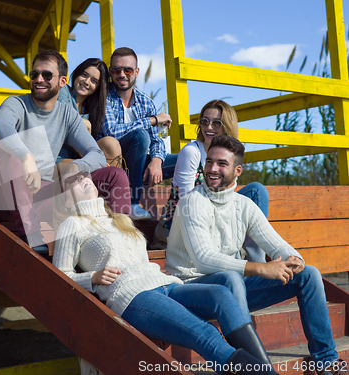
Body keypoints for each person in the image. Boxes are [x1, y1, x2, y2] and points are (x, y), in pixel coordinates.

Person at [52, 169, 280, 375]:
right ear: (64, 198)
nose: (83, 178)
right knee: (206, 333)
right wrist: (92, 277)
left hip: (164, 283)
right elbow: (59, 276)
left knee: (221, 295)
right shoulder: (72, 225)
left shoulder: (121, 219)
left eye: (84, 174)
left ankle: (264, 370)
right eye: (73, 179)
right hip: (133, 295)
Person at [165, 135, 347, 375]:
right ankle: (258, 368)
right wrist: (260, 268)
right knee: (230, 279)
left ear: (237, 170)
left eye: (221, 164)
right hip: (191, 288)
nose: (212, 169)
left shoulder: (243, 205)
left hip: (233, 287)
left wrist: (294, 259)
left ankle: (325, 361)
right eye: (209, 162)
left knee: (309, 274)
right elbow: (203, 258)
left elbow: (276, 244)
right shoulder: (191, 202)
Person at [0, 50, 131, 255]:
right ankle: (32, 234)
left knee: (115, 175)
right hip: (4, 197)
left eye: (47, 75)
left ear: (62, 81)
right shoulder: (16, 104)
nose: (39, 79)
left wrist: (76, 166)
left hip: (41, 195)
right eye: (34, 74)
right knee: (7, 150)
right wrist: (26, 156)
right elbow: (1, 128)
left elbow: (95, 153)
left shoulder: (66, 113)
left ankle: (124, 236)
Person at [152, 99, 269, 258]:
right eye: (204, 121)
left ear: (227, 126)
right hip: (180, 224)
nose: (208, 127)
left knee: (257, 191)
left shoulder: (230, 155)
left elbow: (228, 197)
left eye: (216, 123)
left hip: (215, 220)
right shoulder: (192, 152)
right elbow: (188, 202)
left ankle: (256, 262)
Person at [99, 47, 178, 220]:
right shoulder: (103, 96)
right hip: (113, 164)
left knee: (184, 158)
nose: (121, 74)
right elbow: (112, 132)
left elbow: (156, 140)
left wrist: (157, 161)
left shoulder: (145, 101)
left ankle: (176, 214)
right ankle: (133, 204)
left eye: (127, 70)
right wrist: (152, 120)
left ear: (136, 72)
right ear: (110, 71)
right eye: (116, 69)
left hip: (140, 164)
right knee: (140, 135)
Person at [57, 58, 124, 169]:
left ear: (98, 87)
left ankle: (116, 181)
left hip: (82, 158)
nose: (87, 82)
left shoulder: (93, 111)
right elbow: (69, 121)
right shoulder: (63, 90)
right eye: (84, 75)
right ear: (77, 73)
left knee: (111, 143)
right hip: (60, 157)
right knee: (85, 124)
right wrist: (96, 159)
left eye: (94, 81)